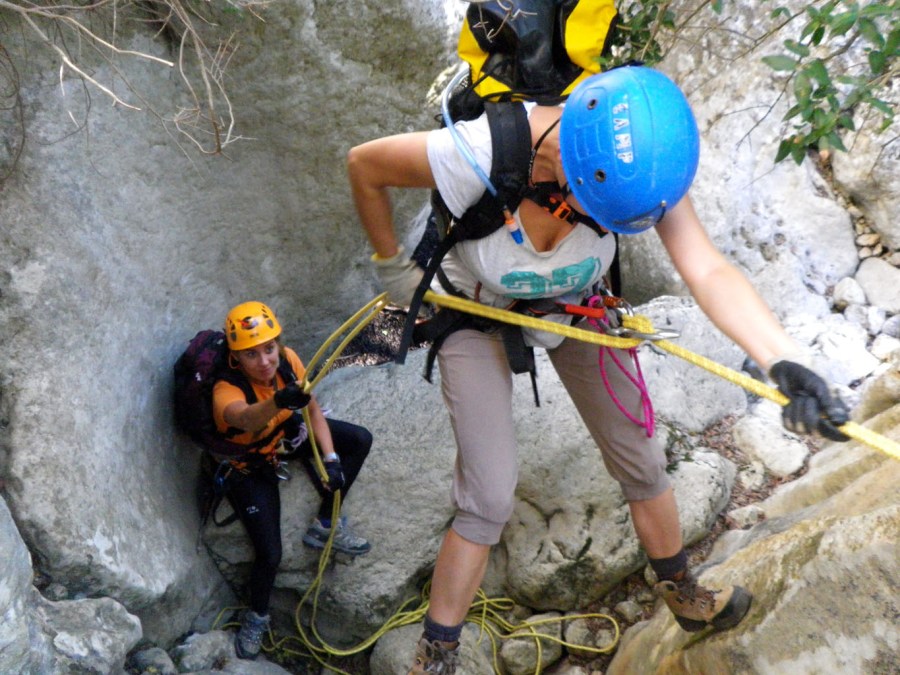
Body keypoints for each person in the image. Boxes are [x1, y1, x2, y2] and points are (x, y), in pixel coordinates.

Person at [347, 65, 850, 672]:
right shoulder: (477, 153)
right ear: (576, 169)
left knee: (642, 457)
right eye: (603, 211)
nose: (614, 225)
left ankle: (682, 594)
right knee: (488, 495)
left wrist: (783, 359)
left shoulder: (642, 170)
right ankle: (438, 651)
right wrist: (392, 266)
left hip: (578, 305)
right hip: (473, 308)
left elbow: (708, 269)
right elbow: (364, 166)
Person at [212, 300, 373, 659]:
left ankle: (326, 522)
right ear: (236, 358)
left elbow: (312, 409)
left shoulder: (288, 360)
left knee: (359, 440)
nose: (265, 361)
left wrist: (330, 460)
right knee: (270, 554)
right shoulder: (226, 388)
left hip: (285, 435)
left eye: (269, 348)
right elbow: (246, 419)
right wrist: (279, 401)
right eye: (251, 354)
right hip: (249, 465)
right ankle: (256, 617)